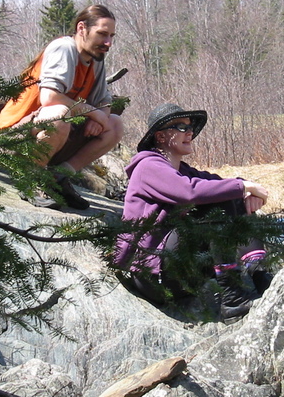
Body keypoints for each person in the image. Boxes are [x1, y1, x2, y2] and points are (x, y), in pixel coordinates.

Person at [112, 103, 270, 321]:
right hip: (153, 277)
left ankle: (260, 274)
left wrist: (247, 190)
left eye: (190, 127)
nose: (189, 132)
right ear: (160, 136)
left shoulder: (182, 170)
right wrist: (242, 187)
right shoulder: (148, 166)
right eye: (181, 127)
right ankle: (232, 297)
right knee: (215, 204)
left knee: (227, 196)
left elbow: (220, 184)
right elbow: (189, 192)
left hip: (181, 274)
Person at [0, 5, 124, 210]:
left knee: (114, 124)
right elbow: (50, 97)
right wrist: (94, 113)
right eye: (102, 34)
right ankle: (30, 180)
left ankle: (58, 178)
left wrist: (100, 118)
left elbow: (104, 102)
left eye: (111, 36)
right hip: (13, 139)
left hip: (49, 138)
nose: (108, 42)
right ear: (82, 28)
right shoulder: (64, 48)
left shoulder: (95, 59)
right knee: (59, 114)